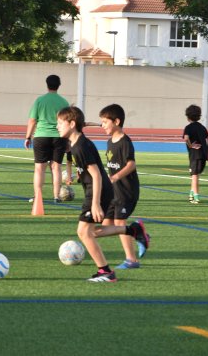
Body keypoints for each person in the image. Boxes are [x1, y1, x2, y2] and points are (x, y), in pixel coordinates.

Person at [56, 106, 150, 283]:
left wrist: (95, 203)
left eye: (60, 123)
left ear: (72, 124)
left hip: (97, 191)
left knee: (83, 232)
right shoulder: (77, 143)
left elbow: (97, 174)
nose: (57, 126)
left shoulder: (80, 146)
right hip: (97, 190)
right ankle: (133, 230)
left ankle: (105, 272)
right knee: (92, 232)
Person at [99, 104, 142, 270]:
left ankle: (132, 260)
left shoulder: (125, 141)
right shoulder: (110, 142)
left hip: (126, 190)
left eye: (105, 122)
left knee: (119, 220)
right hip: (114, 192)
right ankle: (136, 231)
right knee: (103, 226)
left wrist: (116, 176)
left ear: (116, 121)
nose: (102, 125)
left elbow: (131, 164)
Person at [24, 74, 70, 203]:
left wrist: (28, 136)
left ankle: (37, 196)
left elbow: (32, 120)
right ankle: (56, 196)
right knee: (56, 167)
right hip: (59, 136)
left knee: (39, 168)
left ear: (47, 84)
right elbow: (67, 122)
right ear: (59, 85)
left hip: (41, 136)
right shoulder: (64, 102)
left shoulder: (40, 100)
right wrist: (68, 140)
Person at [183, 104, 208, 204]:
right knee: (196, 174)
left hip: (195, 155)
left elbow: (186, 138)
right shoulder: (202, 127)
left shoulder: (188, 127)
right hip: (203, 154)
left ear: (187, 116)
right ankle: (191, 194)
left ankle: (196, 196)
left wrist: (190, 146)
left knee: (194, 175)